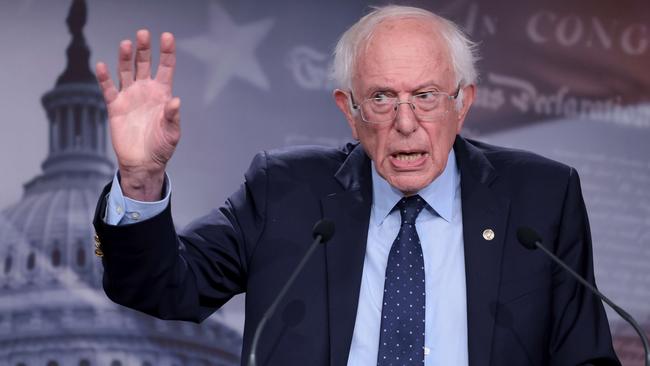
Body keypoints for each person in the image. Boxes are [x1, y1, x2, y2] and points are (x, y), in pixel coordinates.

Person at [93, 5, 620, 366]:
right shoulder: (285, 190)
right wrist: (141, 177)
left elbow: (586, 356)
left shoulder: (541, 197)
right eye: (383, 98)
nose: (406, 121)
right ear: (350, 110)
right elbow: (163, 286)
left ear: (463, 104)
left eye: (428, 95)